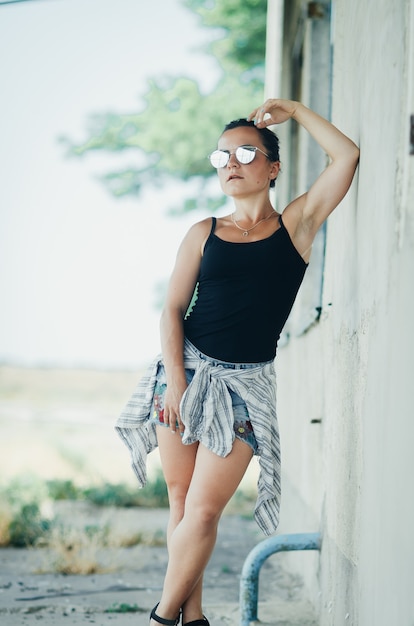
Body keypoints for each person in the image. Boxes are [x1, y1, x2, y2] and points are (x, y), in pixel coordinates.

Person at [116, 98, 359, 626]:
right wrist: (176, 381)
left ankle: (161, 617)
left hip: (246, 387)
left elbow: (345, 157)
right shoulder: (203, 232)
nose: (230, 163)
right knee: (180, 501)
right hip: (183, 373)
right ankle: (194, 617)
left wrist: (295, 111)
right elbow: (173, 310)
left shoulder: (295, 225)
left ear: (272, 168)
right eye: (221, 155)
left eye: (245, 153)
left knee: (204, 509)